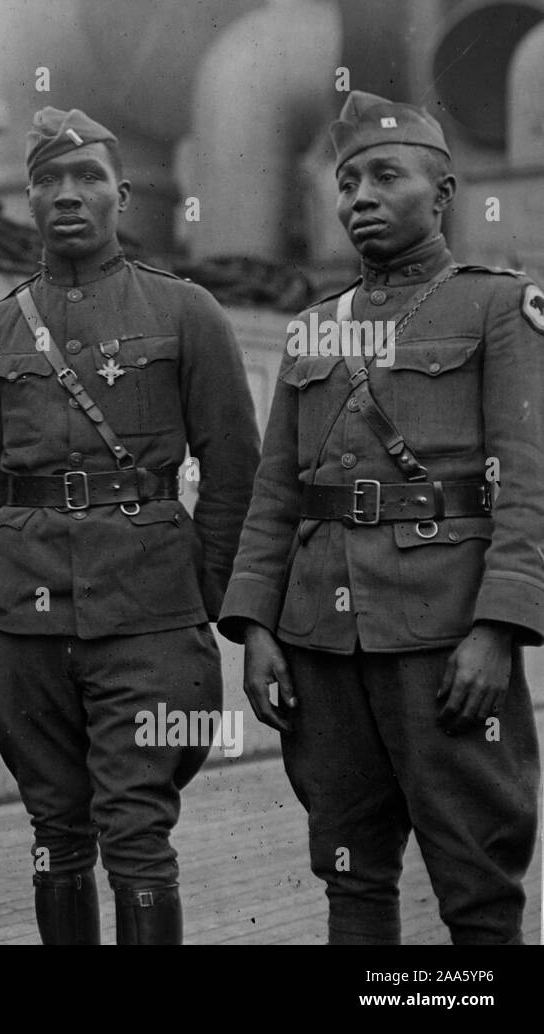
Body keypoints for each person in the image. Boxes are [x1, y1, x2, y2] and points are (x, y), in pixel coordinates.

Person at [219, 90, 543, 944]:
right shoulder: (311, 332)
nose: (358, 194)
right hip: (324, 645)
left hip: (446, 641)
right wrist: (255, 627)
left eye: (385, 175)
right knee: (351, 876)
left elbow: (528, 484)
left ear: (442, 195)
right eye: (348, 177)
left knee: (476, 884)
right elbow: (276, 496)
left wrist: (497, 630)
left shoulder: (500, 307)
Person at [0, 107, 260, 944]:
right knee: (56, 832)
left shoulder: (187, 312)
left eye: (87, 177)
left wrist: (192, 591)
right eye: (49, 180)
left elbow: (235, 469)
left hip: (151, 617)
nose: (68, 194)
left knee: (136, 834)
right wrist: (32, 564)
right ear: (27, 200)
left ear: (121, 194)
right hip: (27, 624)